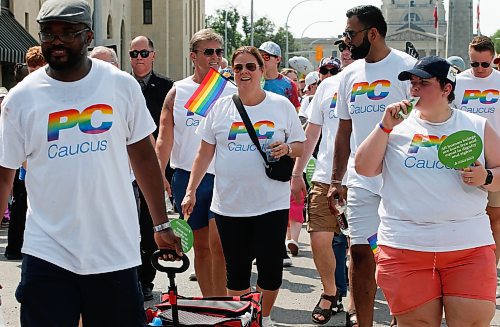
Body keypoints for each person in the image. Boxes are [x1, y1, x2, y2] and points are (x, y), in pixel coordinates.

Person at [0, 0, 181, 325]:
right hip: (47, 252)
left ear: (88, 36)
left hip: (114, 249)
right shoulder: (21, 98)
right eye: (48, 33)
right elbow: (3, 177)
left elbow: (142, 156)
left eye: (67, 32)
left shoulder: (120, 86)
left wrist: (161, 224)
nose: (56, 40)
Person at [355, 55, 500, 326]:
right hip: (405, 246)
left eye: (423, 83)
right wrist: (384, 126)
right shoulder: (395, 127)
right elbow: (364, 168)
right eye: (412, 83)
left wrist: (486, 176)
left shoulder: (475, 125)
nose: (414, 90)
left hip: (467, 247)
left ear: (447, 88)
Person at [181, 46, 305, 327]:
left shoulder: (280, 105)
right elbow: (204, 154)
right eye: (238, 68)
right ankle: (241, 319)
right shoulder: (220, 108)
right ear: (232, 72)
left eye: (251, 67)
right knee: (236, 272)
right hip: (229, 206)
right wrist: (191, 190)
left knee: (270, 270)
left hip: (270, 203)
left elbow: (300, 145)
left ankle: (264, 317)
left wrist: (286, 147)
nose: (244, 72)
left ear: (262, 71)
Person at [327, 5, 417, 326]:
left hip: (401, 180)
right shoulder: (348, 75)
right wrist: (336, 180)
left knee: (399, 256)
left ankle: (400, 319)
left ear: (373, 33)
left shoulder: (408, 68)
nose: (347, 40)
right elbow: (343, 131)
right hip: (361, 180)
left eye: (351, 33)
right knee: (360, 254)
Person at [155, 28, 235, 297]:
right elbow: (164, 137)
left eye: (218, 51)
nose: (215, 57)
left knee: (220, 244)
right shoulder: (178, 91)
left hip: (223, 175)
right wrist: (159, 175)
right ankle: (209, 304)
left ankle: (223, 304)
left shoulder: (230, 90)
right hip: (188, 177)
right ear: (193, 56)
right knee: (200, 246)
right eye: (208, 51)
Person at [452, 36, 500, 294]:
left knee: (495, 218)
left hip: (495, 160)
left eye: (485, 63)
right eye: (475, 64)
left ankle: (489, 274)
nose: (480, 68)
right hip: (463, 158)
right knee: (464, 216)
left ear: (493, 57)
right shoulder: (458, 83)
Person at [129, 35, 175, 301]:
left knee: (150, 225)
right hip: (124, 166)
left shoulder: (167, 88)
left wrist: (164, 170)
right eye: (134, 54)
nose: (138, 59)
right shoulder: (122, 86)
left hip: (154, 166)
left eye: (143, 53)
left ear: (153, 55)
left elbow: (170, 132)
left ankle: (145, 279)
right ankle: (129, 276)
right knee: (127, 224)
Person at [4, 46, 47, 261]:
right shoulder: (21, 93)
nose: (34, 73)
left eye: (37, 68)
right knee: (21, 206)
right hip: (24, 164)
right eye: (31, 69)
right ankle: (14, 248)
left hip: (43, 163)